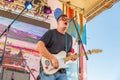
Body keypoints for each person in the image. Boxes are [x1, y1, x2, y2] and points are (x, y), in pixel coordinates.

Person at [36, 10, 77, 80]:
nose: (66, 20)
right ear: (58, 22)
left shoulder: (69, 38)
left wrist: (72, 57)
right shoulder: (51, 33)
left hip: (62, 71)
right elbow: (39, 46)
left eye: (67, 19)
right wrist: (52, 58)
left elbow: (68, 54)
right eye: (63, 19)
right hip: (48, 69)